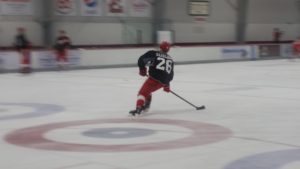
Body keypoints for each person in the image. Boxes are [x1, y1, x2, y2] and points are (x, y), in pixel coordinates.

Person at [129, 41, 174, 116]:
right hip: (162, 83)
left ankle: (138, 108)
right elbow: (170, 74)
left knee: (142, 93)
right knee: (148, 91)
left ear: (160, 47)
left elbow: (141, 60)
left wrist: (142, 69)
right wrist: (167, 84)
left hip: (153, 79)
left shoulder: (153, 54)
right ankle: (146, 106)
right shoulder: (170, 59)